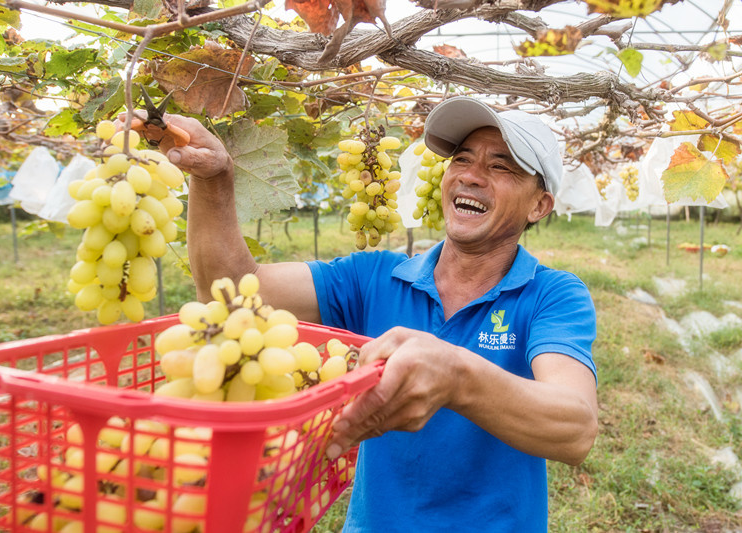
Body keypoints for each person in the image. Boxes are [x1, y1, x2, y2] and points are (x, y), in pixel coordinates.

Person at [146, 96, 599, 531]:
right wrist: (214, 180)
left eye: (500, 166)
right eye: (462, 159)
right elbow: (228, 294)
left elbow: (575, 428)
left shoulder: (552, 294)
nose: (472, 176)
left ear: (539, 205)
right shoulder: (375, 276)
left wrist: (458, 377)